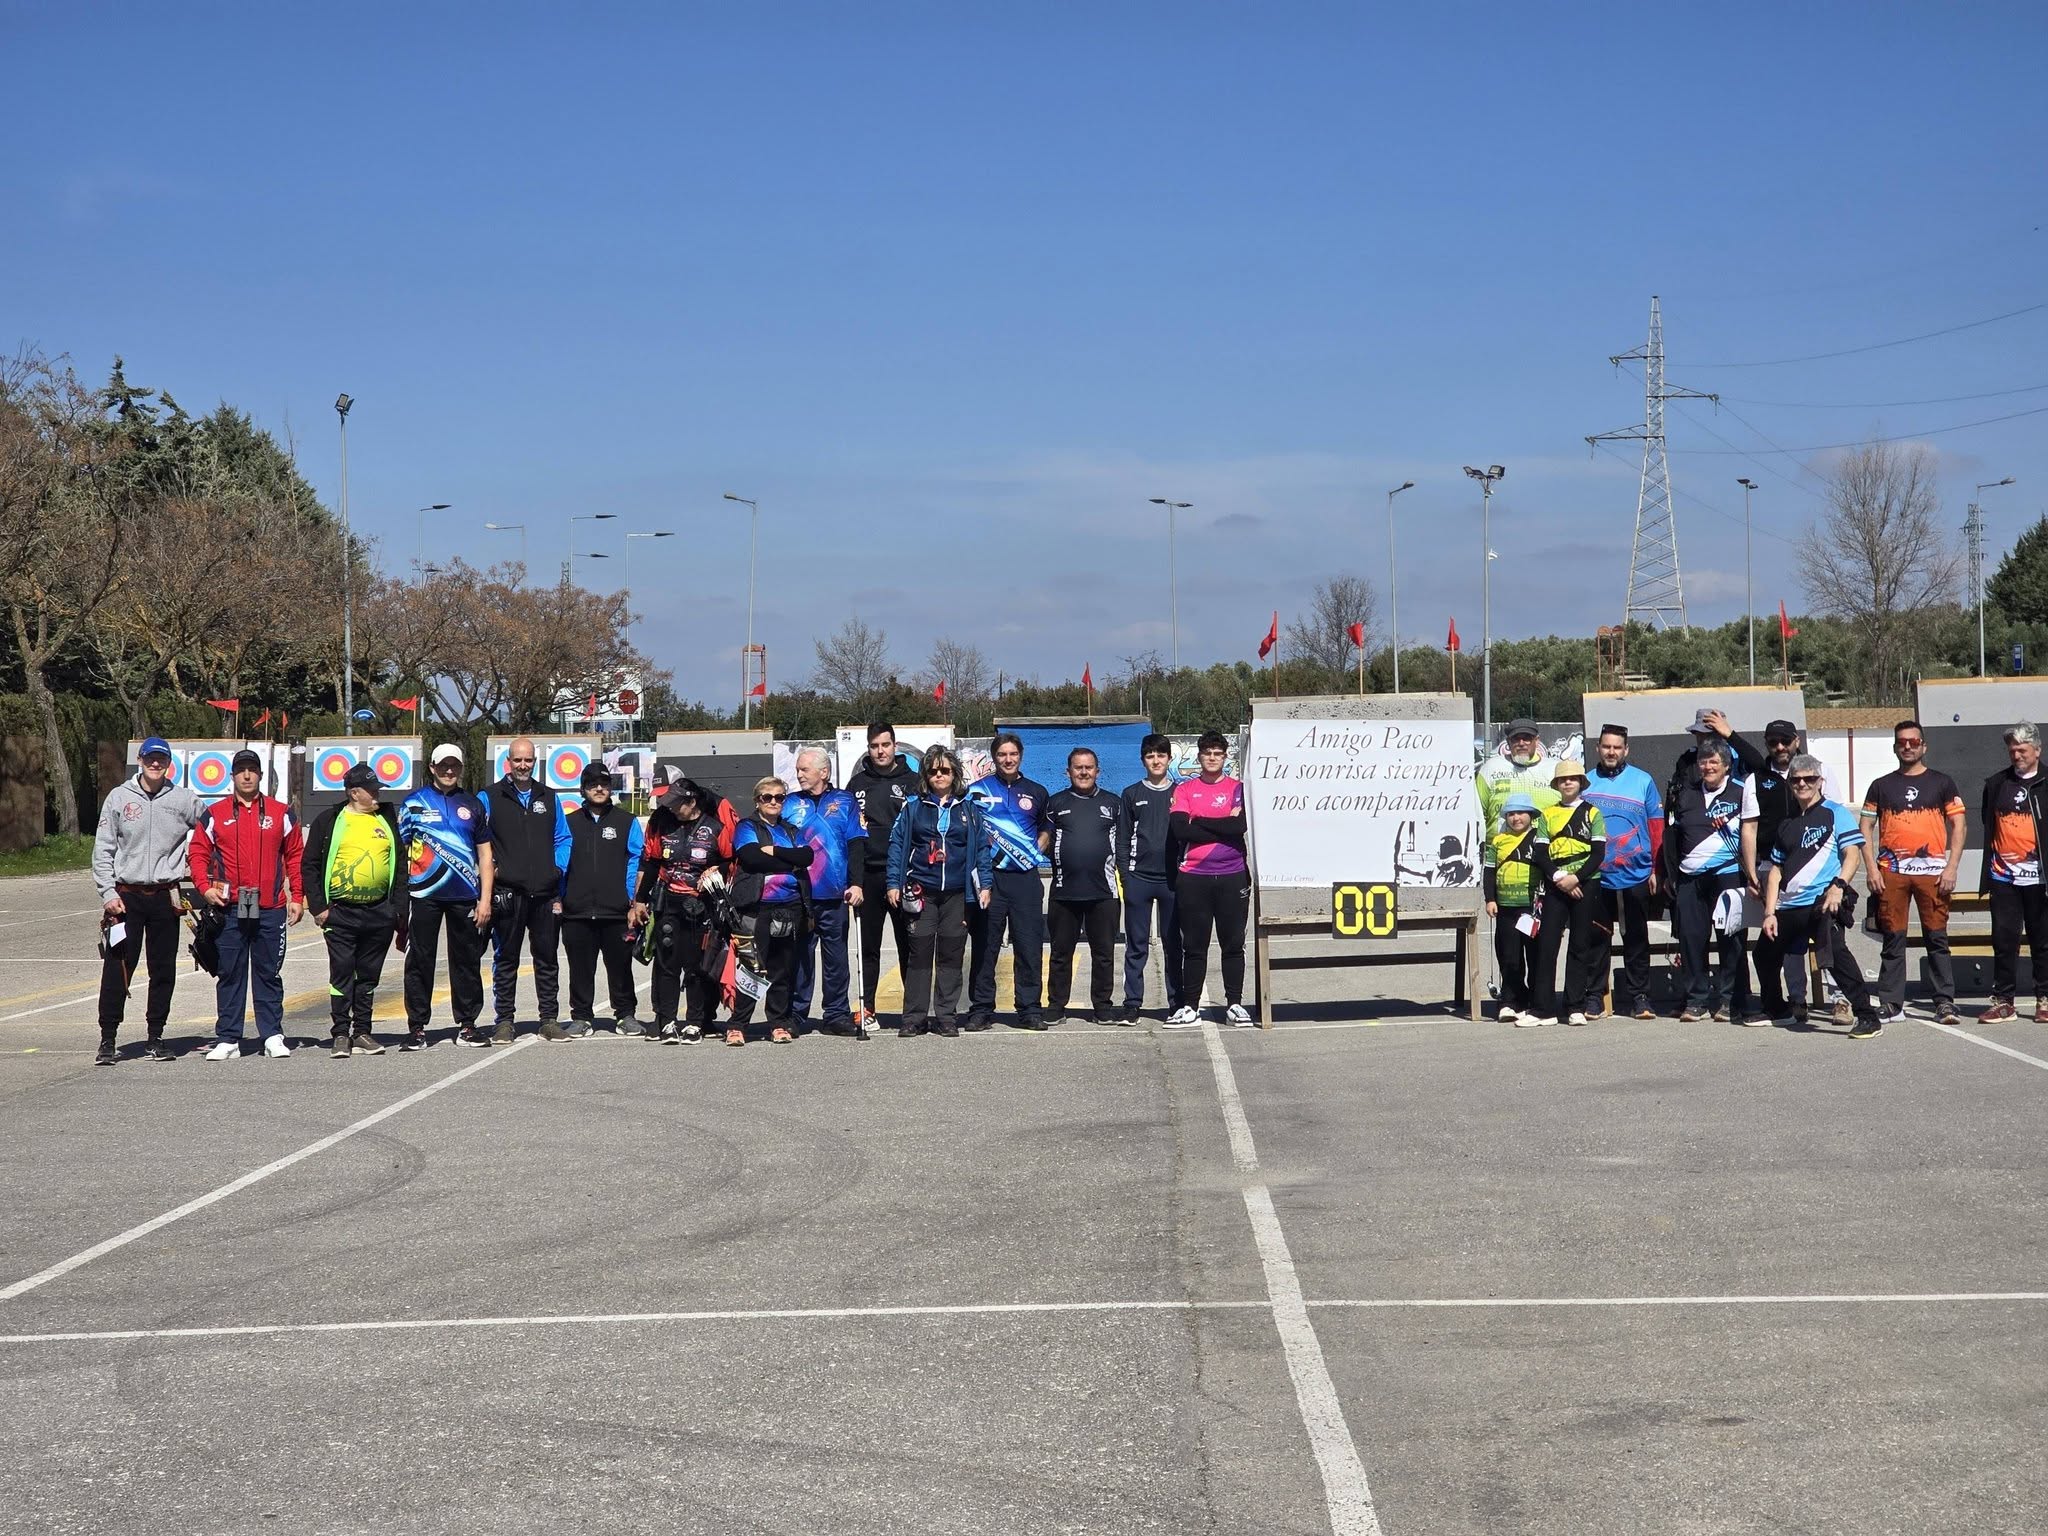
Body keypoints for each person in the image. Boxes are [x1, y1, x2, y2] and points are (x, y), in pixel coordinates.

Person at [90, 735, 203, 1065]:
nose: (155, 764)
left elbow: (211, 830)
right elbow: (103, 849)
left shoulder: (183, 799)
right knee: (118, 967)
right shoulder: (119, 797)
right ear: (140, 761)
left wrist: (198, 865)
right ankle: (108, 1039)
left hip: (165, 897)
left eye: (161, 759)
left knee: (163, 969)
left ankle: (156, 1036)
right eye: (150, 758)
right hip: (126, 899)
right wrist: (108, 893)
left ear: (169, 764)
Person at [189, 748, 305, 1060]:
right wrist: (204, 888)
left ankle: (272, 1035)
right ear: (232, 776)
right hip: (229, 907)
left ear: (261, 775)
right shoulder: (214, 814)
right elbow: (197, 852)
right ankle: (228, 1038)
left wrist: (297, 896)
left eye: (252, 770)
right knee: (230, 972)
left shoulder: (282, 813)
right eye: (241, 770)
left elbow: (295, 855)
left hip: (270, 907)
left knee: (268, 973)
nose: (247, 775)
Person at [1756, 755, 1882, 1038]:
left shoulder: (1835, 813)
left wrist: (1838, 886)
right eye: (1796, 780)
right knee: (1764, 954)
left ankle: (1867, 1016)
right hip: (1789, 905)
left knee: (1835, 956)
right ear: (1790, 783)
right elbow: (1776, 871)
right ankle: (1778, 1010)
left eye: (1809, 779)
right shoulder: (1786, 824)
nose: (1802, 784)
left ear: (1820, 781)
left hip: (1823, 901)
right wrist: (1769, 912)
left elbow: (1852, 855)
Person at [1860, 720, 1966, 1027]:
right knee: (1893, 940)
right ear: (1895, 747)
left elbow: (1959, 825)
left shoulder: (1942, 783)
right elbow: (1865, 826)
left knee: (1937, 938)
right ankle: (1892, 1003)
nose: (1908, 746)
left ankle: (1944, 1002)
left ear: (1924, 746)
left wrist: (1952, 866)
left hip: (1933, 874)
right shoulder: (1880, 785)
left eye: (1914, 742)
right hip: (1891, 873)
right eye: (1902, 742)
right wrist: (1871, 868)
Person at [1739, 719, 1845, 1022]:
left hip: (1821, 870)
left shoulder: (1821, 770)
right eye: (1773, 742)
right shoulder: (1756, 779)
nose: (1780, 747)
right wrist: (1751, 873)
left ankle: (1841, 1000)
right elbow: (1749, 829)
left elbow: (1837, 819)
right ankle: (1797, 999)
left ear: (1796, 740)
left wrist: (1838, 878)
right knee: (1786, 941)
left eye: (1785, 741)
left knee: (1830, 938)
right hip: (1775, 870)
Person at [886, 746, 993, 1038]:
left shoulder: (969, 808)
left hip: (958, 894)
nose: (939, 775)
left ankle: (946, 1016)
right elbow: (897, 846)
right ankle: (914, 1018)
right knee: (919, 955)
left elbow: (982, 849)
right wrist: (893, 883)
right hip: (921, 891)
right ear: (926, 776)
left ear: (954, 774)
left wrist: (985, 885)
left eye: (944, 770)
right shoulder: (912, 807)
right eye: (933, 771)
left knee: (951, 955)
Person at [303, 763, 408, 1058]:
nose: (377, 794)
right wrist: (319, 907)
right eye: (371, 790)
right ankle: (340, 1033)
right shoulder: (330, 820)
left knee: (368, 976)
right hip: (340, 913)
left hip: (379, 913)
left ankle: (362, 1031)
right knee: (342, 973)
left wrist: (398, 911)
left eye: (377, 789)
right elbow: (310, 864)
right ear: (353, 792)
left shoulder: (386, 820)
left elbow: (400, 867)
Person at [398, 743, 494, 1050]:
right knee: (420, 959)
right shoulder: (413, 803)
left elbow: (485, 854)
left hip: (464, 895)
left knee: (466, 961)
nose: (448, 771)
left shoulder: (473, 804)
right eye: (443, 765)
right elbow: (399, 853)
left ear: (461, 768)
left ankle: (467, 1025)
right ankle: (417, 1027)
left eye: (454, 765)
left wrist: (485, 899)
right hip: (423, 894)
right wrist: (399, 901)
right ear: (432, 768)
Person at [482, 736, 570, 1043]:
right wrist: (494, 869)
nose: (523, 765)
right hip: (508, 893)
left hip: (545, 894)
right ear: (508, 761)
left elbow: (563, 838)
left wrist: (556, 869)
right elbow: (478, 840)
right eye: (517, 760)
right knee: (506, 959)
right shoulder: (489, 797)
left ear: (535, 762)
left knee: (547, 959)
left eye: (528, 760)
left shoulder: (549, 796)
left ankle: (549, 1019)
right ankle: (504, 1021)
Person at [1163, 732, 1253, 1029]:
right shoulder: (1185, 790)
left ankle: (1235, 1004)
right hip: (1194, 877)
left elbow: (1240, 826)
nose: (1212, 757)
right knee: (1194, 946)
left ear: (1225, 757)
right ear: (1199, 756)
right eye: (1207, 752)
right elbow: (1181, 831)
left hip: (1232, 875)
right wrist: (1223, 824)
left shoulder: (1238, 789)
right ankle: (1190, 1007)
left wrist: (1199, 820)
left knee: (1233, 944)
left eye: (1217, 753)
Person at [634, 778, 729, 1042]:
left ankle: (695, 1023)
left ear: (692, 802)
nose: (672, 808)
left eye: (677, 804)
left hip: (702, 906)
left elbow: (730, 860)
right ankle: (667, 1021)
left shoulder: (715, 828)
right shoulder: (663, 824)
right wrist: (639, 900)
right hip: (668, 903)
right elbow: (652, 863)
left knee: (696, 966)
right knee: (667, 964)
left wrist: (717, 870)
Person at [967, 731, 1050, 1031]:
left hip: (1025, 880)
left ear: (1021, 756)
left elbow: (1046, 827)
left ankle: (1029, 1009)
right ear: (994, 757)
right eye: (1002, 754)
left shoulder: (1036, 791)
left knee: (1028, 946)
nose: (1008, 759)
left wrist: (1033, 852)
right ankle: (981, 1009)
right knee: (985, 946)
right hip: (990, 879)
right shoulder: (976, 791)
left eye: (1013, 754)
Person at [1666, 737, 1753, 1022]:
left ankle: (1730, 1000)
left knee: (1731, 939)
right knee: (1691, 939)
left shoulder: (1742, 793)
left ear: (1726, 766)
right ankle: (1696, 1001)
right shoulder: (1686, 795)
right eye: (1703, 762)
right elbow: (1672, 836)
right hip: (1690, 877)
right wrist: (1670, 874)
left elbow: (1753, 834)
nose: (1708, 767)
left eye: (1714, 761)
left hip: (1728, 874)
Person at [785, 746, 868, 1039]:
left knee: (836, 959)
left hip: (834, 894)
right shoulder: (790, 803)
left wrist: (857, 883)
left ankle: (836, 1014)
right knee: (800, 957)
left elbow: (856, 843)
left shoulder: (845, 801)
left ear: (824, 772)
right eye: (797, 769)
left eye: (804, 769)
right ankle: (796, 1014)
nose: (799, 774)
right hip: (799, 895)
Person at [1580, 724, 1662, 1021]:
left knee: (1636, 938)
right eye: (1606, 746)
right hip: (1597, 876)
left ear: (1626, 749)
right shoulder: (1585, 782)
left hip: (1636, 874)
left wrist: (1656, 868)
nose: (1611, 752)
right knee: (1597, 938)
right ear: (1598, 748)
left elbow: (1656, 827)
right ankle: (1594, 997)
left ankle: (1640, 997)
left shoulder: (1643, 780)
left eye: (1617, 747)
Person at [1043, 747, 1129, 1027]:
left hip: (1103, 892)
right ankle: (1056, 1005)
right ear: (1068, 772)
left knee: (1103, 954)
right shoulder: (1055, 803)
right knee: (1060, 953)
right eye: (1078, 767)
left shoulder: (1114, 804)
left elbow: (1123, 845)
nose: (1083, 772)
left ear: (1097, 771)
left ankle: (1102, 1006)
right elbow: (1043, 841)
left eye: (1088, 767)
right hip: (1063, 891)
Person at [728, 775, 815, 1045]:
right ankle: (738, 1024)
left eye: (779, 797)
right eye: (767, 797)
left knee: (782, 969)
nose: (774, 802)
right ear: (757, 801)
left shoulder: (791, 830)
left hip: (790, 906)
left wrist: (774, 851)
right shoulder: (747, 826)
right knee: (752, 967)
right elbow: (752, 858)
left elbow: (807, 856)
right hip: (757, 908)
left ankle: (777, 1022)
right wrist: (791, 862)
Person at [559, 762, 644, 1037]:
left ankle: (626, 1015)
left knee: (620, 968)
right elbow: (560, 863)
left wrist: (632, 901)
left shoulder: (627, 821)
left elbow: (636, 862)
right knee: (580, 970)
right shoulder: (568, 822)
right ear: (583, 789)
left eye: (604, 784)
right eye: (593, 784)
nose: (599, 788)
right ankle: (581, 1017)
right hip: (577, 911)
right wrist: (560, 897)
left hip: (616, 912)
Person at [847, 722, 916, 1030]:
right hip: (869, 876)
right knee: (869, 947)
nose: (880, 751)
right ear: (868, 748)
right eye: (874, 746)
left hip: (903, 875)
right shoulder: (857, 784)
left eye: (885, 745)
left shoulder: (913, 782)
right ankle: (868, 1008)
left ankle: (914, 1010)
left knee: (909, 945)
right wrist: (855, 879)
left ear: (895, 746)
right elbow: (851, 833)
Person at [1979, 720, 2048, 1023]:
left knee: (2042, 940)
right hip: (2004, 877)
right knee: (2004, 940)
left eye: (2022, 750)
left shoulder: (2046, 782)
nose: (2017, 755)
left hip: (2040, 878)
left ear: (2037, 750)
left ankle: (2044, 998)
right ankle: (2003, 1001)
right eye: (2012, 751)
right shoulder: (1997, 784)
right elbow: (1988, 822)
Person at [1118, 733, 1182, 1023]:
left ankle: (1177, 1003)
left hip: (1173, 881)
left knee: (1173, 944)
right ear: (1143, 760)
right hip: (1139, 880)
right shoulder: (1131, 794)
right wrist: (1126, 876)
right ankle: (1132, 1003)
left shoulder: (1181, 792)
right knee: (1137, 945)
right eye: (1150, 756)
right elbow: (1121, 840)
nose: (1156, 761)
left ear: (1169, 758)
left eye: (1161, 755)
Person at [1535, 762, 1606, 1025]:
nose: (1567, 783)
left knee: (1580, 944)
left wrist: (1576, 878)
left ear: (1580, 783)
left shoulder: (1593, 813)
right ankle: (1543, 1009)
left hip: (1586, 882)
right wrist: (1559, 877)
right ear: (1556, 784)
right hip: (1556, 882)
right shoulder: (1547, 814)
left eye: (1573, 779)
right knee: (1547, 944)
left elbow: (1598, 853)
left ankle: (1575, 1005)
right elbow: (1540, 853)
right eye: (1563, 779)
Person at [1483, 791, 1551, 1025]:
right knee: (1509, 957)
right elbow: (1489, 872)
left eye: (1521, 813)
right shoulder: (1498, 841)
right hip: (1505, 908)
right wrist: (1490, 899)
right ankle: (1510, 1002)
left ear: (1531, 815)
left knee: (1535, 956)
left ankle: (1535, 1001)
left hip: (1533, 908)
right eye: (1511, 814)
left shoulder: (1540, 839)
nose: (1516, 818)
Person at [1476, 718, 1560, 832]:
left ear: (1537, 741)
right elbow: (1477, 812)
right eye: (1516, 739)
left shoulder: (1555, 768)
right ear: (1508, 742)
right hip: (1501, 842)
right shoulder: (1491, 768)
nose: (1521, 743)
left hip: (1545, 842)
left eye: (1527, 738)